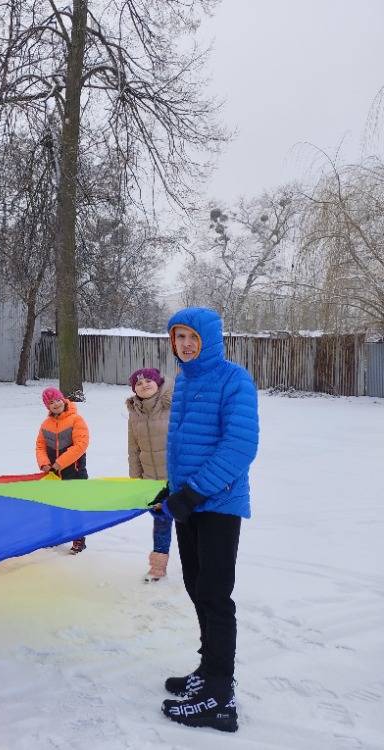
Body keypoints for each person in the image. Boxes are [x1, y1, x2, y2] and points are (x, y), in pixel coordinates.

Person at [151, 307, 259, 733]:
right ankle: (208, 668)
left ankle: (220, 694)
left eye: (193, 337)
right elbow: (184, 447)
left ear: (210, 339)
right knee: (198, 588)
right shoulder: (185, 380)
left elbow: (239, 446)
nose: (186, 345)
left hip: (219, 504)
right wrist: (174, 489)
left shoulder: (234, 380)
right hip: (190, 504)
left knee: (215, 595)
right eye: (179, 338)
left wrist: (194, 491)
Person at [126, 367, 172, 582]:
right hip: (153, 482)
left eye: (148, 381)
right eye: (138, 383)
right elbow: (133, 449)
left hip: (178, 479)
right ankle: (158, 568)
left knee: (190, 525)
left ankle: (199, 565)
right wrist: (136, 482)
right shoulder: (134, 413)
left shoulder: (172, 405)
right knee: (161, 524)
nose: (144, 385)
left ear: (158, 382)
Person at [35, 386, 91, 554]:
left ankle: (79, 538)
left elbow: (81, 445)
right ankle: (56, 535)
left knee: (74, 506)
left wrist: (60, 463)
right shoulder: (45, 425)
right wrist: (45, 464)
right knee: (55, 506)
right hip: (53, 473)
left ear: (63, 400)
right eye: (51, 402)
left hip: (74, 471)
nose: (56, 404)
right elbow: (40, 447)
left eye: (58, 400)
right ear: (47, 406)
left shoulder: (76, 420)